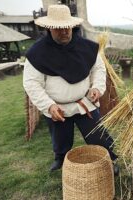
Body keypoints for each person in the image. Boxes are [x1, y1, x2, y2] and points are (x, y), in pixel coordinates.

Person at [23, 4, 118, 173]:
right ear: (49, 28)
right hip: (56, 107)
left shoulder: (87, 47)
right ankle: (60, 158)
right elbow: (32, 83)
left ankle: (109, 159)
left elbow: (98, 69)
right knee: (60, 139)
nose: (64, 32)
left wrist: (96, 87)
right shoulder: (37, 53)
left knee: (98, 135)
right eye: (59, 29)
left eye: (67, 27)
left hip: (84, 103)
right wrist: (48, 106)